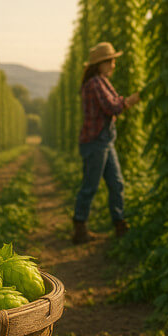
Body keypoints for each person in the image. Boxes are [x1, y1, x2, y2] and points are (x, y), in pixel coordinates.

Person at [72, 42, 141, 245]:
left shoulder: (100, 81)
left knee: (116, 183)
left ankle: (119, 224)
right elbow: (112, 107)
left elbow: (112, 103)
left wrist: (124, 102)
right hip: (95, 143)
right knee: (90, 186)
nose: (113, 65)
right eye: (110, 61)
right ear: (100, 64)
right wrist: (131, 101)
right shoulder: (95, 83)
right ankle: (79, 228)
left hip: (105, 141)